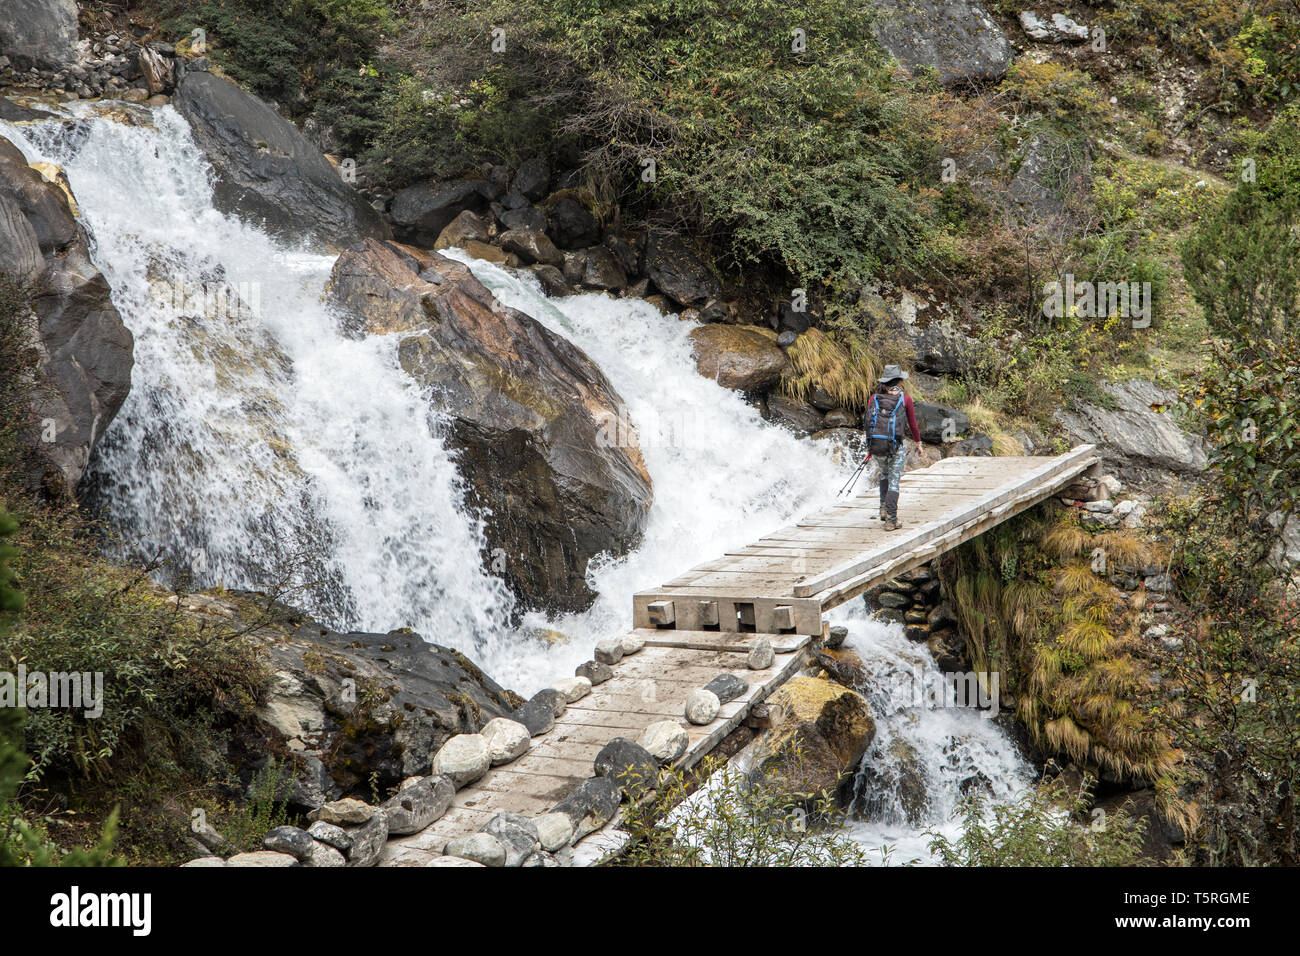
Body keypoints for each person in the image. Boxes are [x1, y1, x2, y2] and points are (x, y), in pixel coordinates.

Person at [862, 365, 920, 531]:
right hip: (896, 447)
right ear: (900, 381)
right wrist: (918, 442)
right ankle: (891, 520)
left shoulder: (874, 397)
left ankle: (883, 509)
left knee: (884, 474)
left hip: (877, 445)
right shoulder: (905, 399)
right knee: (894, 480)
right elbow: (913, 425)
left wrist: (869, 445)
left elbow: (868, 422)